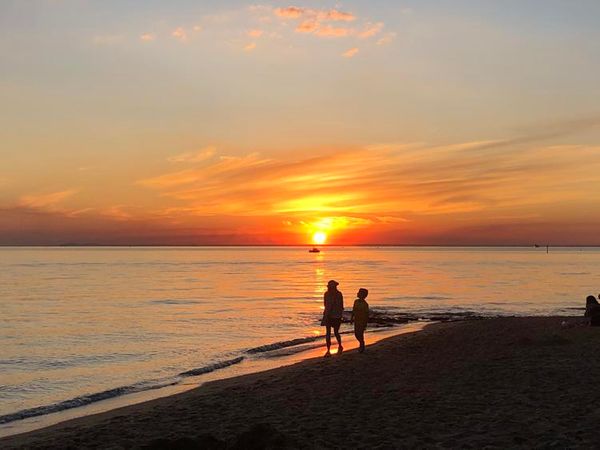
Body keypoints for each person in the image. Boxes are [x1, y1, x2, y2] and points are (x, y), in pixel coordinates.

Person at [322, 279, 344, 357]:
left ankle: (340, 346)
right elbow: (325, 304)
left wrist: (340, 315)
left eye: (331, 287)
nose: (330, 288)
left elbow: (341, 306)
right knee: (328, 333)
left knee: (336, 332)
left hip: (336, 316)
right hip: (329, 315)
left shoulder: (339, 294)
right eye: (330, 287)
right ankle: (328, 350)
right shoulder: (326, 294)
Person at [351, 288, 370, 353]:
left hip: (362, 321)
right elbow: (353, 310)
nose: (357, 293)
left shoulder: (365, 304)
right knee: (356, 334)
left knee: (360, 334)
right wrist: (351, 318)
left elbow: (366, 314)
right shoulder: (356, 301)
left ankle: (362, 345)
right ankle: (361, 343)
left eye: (359, 293)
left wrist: (365, 323)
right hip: (356, 320)